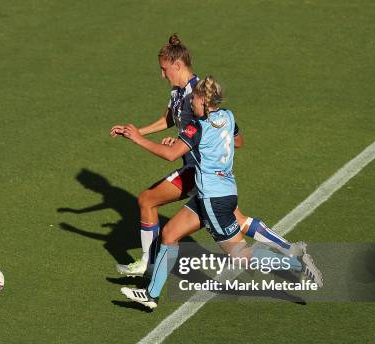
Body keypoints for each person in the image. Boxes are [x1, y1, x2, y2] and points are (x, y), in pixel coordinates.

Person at [116, 76, 323, 309]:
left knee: (241, 256)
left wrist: (138, 138)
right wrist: (189, 143)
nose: (190, 102)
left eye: (193, 98)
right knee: (170, 233)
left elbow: (171, 155)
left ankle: (296, 263)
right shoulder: (228, 116)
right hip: (219, 193)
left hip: (213, 200)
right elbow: (238, 142)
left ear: (203, 100)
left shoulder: (197, 127)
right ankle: (151, 295)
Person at [110, 34, 303, 278]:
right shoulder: (177, 93)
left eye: (164, 69)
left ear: (177, 65)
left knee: (147, 200)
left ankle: (148, 265)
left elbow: (229, 137)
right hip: (206, 175)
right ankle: (289, 251)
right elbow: (169, 120)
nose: (162, 75)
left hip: (197, 171)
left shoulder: (198, 96)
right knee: (239, 220)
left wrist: (184, 144)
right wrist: (138, 131)